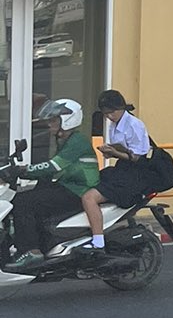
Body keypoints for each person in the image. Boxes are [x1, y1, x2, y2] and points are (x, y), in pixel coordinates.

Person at [5, 99, 101, 272]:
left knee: (23, 202)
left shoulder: (77, 141)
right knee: (28, 194)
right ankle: (41, 244)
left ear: (67, 121)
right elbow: (53, 170)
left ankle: (31, 252)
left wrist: (24, 170)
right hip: (68, 185)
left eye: (54, 120)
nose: (50, 124)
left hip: (78, 190)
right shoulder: (64, 139)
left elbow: (54, 166)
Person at [96, 90, 170, 211]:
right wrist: (110, 153)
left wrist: (115, 153)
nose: (109, 116)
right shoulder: (113, 125)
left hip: (138, 170)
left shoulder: (134, 125)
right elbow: (122, 150)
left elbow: (139, 157)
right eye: (106, 114)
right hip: (124, 166)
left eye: (111, 112)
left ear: (120, 108)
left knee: (111, 189)